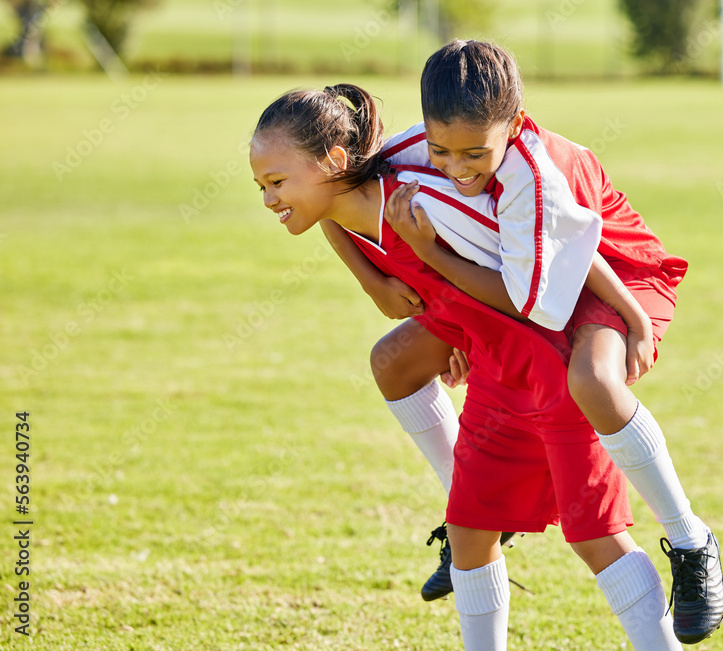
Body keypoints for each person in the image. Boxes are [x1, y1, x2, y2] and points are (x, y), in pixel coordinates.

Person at [249, 83, 684, 650]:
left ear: (333, 162)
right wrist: (380, 285)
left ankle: (679, 578)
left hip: (550, 371)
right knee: (470, 530)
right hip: (498, 374)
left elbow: (562, 254)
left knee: (595, 538)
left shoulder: (425, 203)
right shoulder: (344, 206)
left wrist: (632, 315)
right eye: (260, 186)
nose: (267, 200)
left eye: (276, 183)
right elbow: (336, 215)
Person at [371, 39, 723, 644]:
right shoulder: (412, 150)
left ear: (516, 122)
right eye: (441, 150)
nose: (456, 168)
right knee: (396, 361)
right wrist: (379, 281)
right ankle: (473, 518)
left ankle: (692, 542)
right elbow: (333, 188)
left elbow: (525, 299)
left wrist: (429, 253)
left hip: (619, 280)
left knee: (590, 380)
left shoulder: (535, 176)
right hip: (545, 281)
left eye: (474, 153)